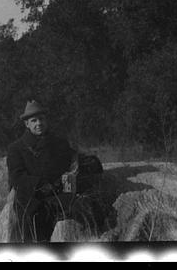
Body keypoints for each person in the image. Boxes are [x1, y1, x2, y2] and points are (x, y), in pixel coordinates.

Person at [6, 100, 107, 242]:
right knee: (33, 223)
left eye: (41, 119)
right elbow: (17, 177)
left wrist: (87, 162)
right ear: (26, 124)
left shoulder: (59, 143)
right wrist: (41, 185)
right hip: (33, 197)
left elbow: (74, 159)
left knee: (87, 207)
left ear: (46, 120)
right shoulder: (16, 148)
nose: (38, 123)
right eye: (34, 120)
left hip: (59, 195)